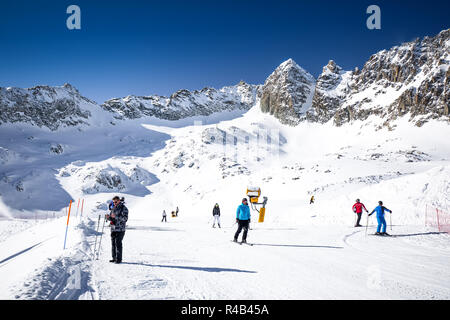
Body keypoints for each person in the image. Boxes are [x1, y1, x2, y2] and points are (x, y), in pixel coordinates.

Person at [106, 195, 128, 264]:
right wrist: (108, 217)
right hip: (113, 228)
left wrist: (116, 216)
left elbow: (125, 219)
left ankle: (119, 259)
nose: (114, 203)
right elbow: (112, 218)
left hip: (120, 229)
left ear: (119, 201)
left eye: (115, 202)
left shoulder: (123, 208)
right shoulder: (113, 208)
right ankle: (114, 258)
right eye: (113, 202)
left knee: (118, 243)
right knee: (113, 244)